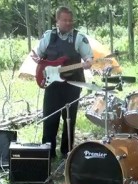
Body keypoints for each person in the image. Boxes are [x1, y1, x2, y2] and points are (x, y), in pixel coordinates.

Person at [31, 6, 93, 159]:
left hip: (73, 84)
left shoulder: (79, 38)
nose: (68, 23)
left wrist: (88, 62)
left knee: (69, 120)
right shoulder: (48, 37)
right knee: (50, 118)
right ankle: (48, 153)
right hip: (52, 85)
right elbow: (37, 55)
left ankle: (67, 152)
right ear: (57, 21)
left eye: (70, 20)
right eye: (64, 20)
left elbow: (89, 58)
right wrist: (42, 66)